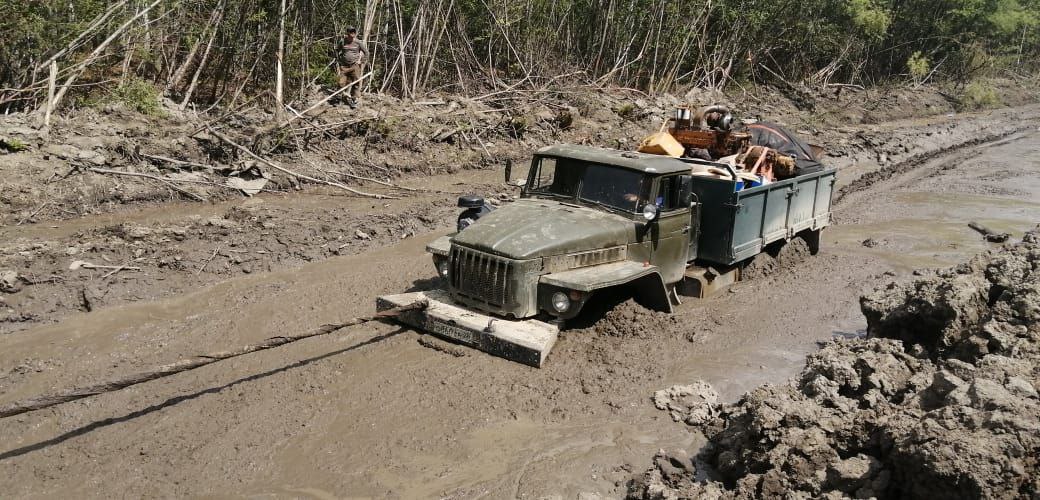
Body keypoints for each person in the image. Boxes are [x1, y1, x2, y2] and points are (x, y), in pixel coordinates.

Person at [334, 26, 368, 108]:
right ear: (347, 33)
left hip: (354, 66)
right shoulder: (342, 42)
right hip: (344, 66)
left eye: (354, 32)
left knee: (356, 83)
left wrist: (361, 61)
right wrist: (338, 60)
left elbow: (366, 53)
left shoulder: (358, 42)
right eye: (351, 32)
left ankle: (354, 100)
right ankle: (338, 99)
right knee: (341, 82)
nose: (353, 33)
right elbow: (336, 50)